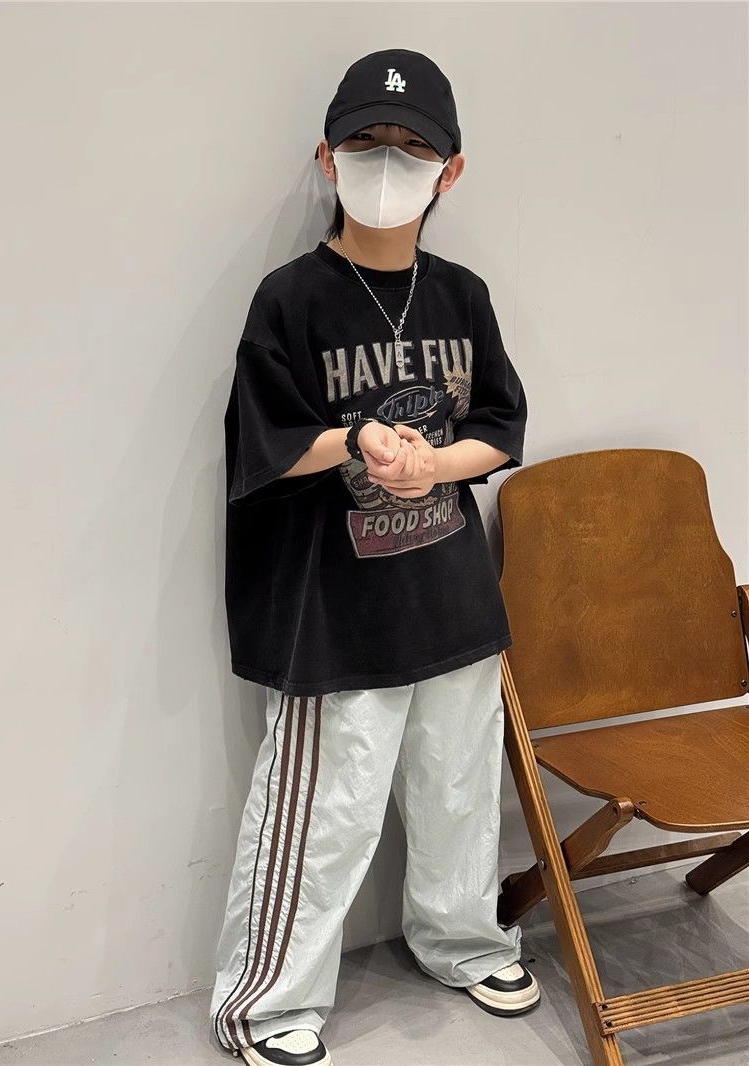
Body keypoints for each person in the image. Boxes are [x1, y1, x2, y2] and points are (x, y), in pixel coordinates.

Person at [208, 48, 539, 1066]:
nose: (387, 163)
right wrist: (356, 441)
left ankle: (463, 941)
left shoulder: (462, 296)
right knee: (323, 810)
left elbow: (499, 428)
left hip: (451, 593)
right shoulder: (291, 298)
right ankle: (267, 1001)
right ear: (328, 157)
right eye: (366, 142)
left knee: (457, 790)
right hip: (334, 609)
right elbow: (264, 441)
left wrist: (432, 461)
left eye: (411, 148)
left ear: (450, 171)